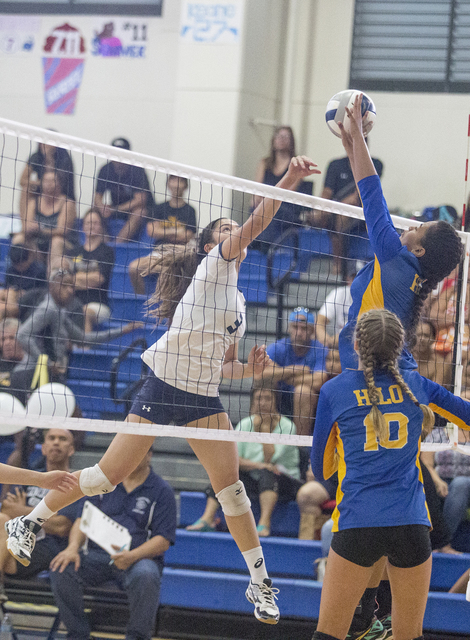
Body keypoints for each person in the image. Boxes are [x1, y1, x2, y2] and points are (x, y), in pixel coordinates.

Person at [5, 155, 321, 626]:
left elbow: (225, 367)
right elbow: (258, 219)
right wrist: (291, 179)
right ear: (214, 242)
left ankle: (259, 582)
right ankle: (27, 522)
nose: (237, 232)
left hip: (201, 398)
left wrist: (252, 370)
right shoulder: (214, 266)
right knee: (105, 476)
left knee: (233, 493)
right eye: (227, 227)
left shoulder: (237, 300)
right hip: (163, 384)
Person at [310, 308, 470, 640]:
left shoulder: (334, 391)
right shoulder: (418, 385)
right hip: (411, 526)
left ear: (355, 344)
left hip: (358, 523)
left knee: (329, 634)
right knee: (409, 635)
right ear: (401, 348)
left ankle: (367, 608)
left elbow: (320, 468)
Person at [336, 94, 463, 373]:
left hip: (374, 373)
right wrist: (352, 145)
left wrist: (357, 135)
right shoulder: (406, 269)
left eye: (421, 228)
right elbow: (371, 197)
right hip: (389, 371)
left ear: (419, 250)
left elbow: (372, 195)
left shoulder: (394, 258)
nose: (412, 225)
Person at [49, 449, 176, 640]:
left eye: (138, 452)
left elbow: (163, 540)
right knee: (62, 567)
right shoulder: (103, 483)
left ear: (148, 455)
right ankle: (78, 634)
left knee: (147, 575)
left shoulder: (162, 491)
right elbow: (83, 519)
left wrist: (131, 556)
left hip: (137, 558)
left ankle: (137, 636)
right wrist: (72, 548)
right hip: (96, 555)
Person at [186, 386, 301, 537]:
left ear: (275, 402)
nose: (263, 403)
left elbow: (270, 460)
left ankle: (263, 523)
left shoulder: (287, 426)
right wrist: (259, 465)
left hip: (285, 479)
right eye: (259, 398)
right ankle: (208, 519)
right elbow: (234, 459)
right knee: (225, 473)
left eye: (268, 398)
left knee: (267, 473)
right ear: (253, 402)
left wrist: (264, 430)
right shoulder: (245, 424)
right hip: (255, 475)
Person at [15, 269, 142, 381]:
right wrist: (46, 363)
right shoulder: (49, 309)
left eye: (72, 286)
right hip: (34, 375)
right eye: (65, 286)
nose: (70, 291)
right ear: (52, 287)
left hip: (49, 375)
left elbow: (83, 339)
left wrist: (122, 330)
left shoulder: (60, 311)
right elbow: (22, 335)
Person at [0, 429, 77, 600]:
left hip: (46, 546)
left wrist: (21, 512)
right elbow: (6, 509)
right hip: (14, 540)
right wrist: (43, 517)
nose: (56, 442)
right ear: (42, 448)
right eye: (51, 438)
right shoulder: (31, 477)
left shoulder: (76, 483)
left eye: (62, 439)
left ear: (71, 449)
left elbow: (61, 526)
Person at [305, 142, 383, 277]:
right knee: (318, 215)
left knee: (341, 216)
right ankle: (321, 219)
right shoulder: (335, 165)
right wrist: (322, 207)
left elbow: (359, 195)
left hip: (361, 212)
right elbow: (326, 192)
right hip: (335, 208)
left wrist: (339, 205)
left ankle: (338, 263)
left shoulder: (374, 164)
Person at [258, 307, 328, 437]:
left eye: (304, 328)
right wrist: (295, 370)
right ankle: (261, 436)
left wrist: (281, 374)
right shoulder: (279, 347)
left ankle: (300, 447)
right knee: (263, 388)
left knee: (303, 391)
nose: (299, 332)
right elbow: (260, 374)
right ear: (289, 328)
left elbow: (319, 381)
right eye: (295, 327)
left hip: (309, 401)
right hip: (280, 396)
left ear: (312, 331)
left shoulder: (319, 349)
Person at [129, 174, 197, 294]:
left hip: (179, 252)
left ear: (185, 186)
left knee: (167, 272)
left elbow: (187, 236)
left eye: (180, 181)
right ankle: (141, 300)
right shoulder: (159, 208)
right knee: (134, 268)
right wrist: (175, 231)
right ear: (168, 184)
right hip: (160, 251)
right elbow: (152, 231)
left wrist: (162, 232)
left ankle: (164, 307)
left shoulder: (190, 210)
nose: (176, 184)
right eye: (173, 180)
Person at [251, 126, 313, 253]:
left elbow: (289, 191)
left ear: (292, 142)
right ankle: (259, 243)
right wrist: (257, 202)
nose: (281, 139)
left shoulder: (297, 164)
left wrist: (268, 198)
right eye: (279, 136)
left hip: (286, 209)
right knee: (254, 208)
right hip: (265, 204)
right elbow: (257, 192)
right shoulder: (264, 163)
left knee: (275, 212)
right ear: (273, 140)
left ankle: (264, 245)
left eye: (286, 137)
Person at [94, 138, 154, 243]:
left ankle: (116, 245)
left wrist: (116, 209)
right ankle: (104, 243)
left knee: (139, 212)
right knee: (94, 211)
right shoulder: (105, 170)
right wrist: (103, 208)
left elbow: (140, 200)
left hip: (137, 210)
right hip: (116, 209)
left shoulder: (137, 170)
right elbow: (97, 197)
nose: (118, 157)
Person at [17, 169, 77, 272]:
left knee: (56, 241)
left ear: (59, 184)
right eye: (46, 181)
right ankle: (16, 278)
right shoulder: (34, 202)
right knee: (19, 238)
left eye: (52, 181)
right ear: (41, 183)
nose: (49, 184)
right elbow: (26, 226)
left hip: (64, 246)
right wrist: (30, 228)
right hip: (38, 245)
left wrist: (40, 230)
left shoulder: (67, 204)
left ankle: (52, 281)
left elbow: (62, 231)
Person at [71, 209, 115, 332]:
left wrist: (77, 278)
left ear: (101, 226)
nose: (91, 226)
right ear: (83, 226)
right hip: (74, 303)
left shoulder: (107, 252)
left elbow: (99, 279)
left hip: (99, 305)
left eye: (95, 223)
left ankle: (85, 350)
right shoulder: (73, 252)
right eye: (88, 223)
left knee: (84, 312)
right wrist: (88, 279)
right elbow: (68, 281)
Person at [19, 141, 75, 220]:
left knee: (52, 187)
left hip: (60, 192)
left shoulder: (65, 159)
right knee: (26, 190)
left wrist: (49, 158)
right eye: (42, 143)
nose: (44, 145)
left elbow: (59, 183)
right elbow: (22, 180)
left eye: (48, 143)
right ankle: (25, 225)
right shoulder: (36, 157)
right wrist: (41, 183)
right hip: (42, 189)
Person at [315, 263, 363, 348]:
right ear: (348, 280)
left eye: (360, 278)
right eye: (353, 278)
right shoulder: (339, 293)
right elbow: (320, 321)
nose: (356, 282)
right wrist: (325, 339)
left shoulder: (373, 298)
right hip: (339, 346)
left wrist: (340, 338)